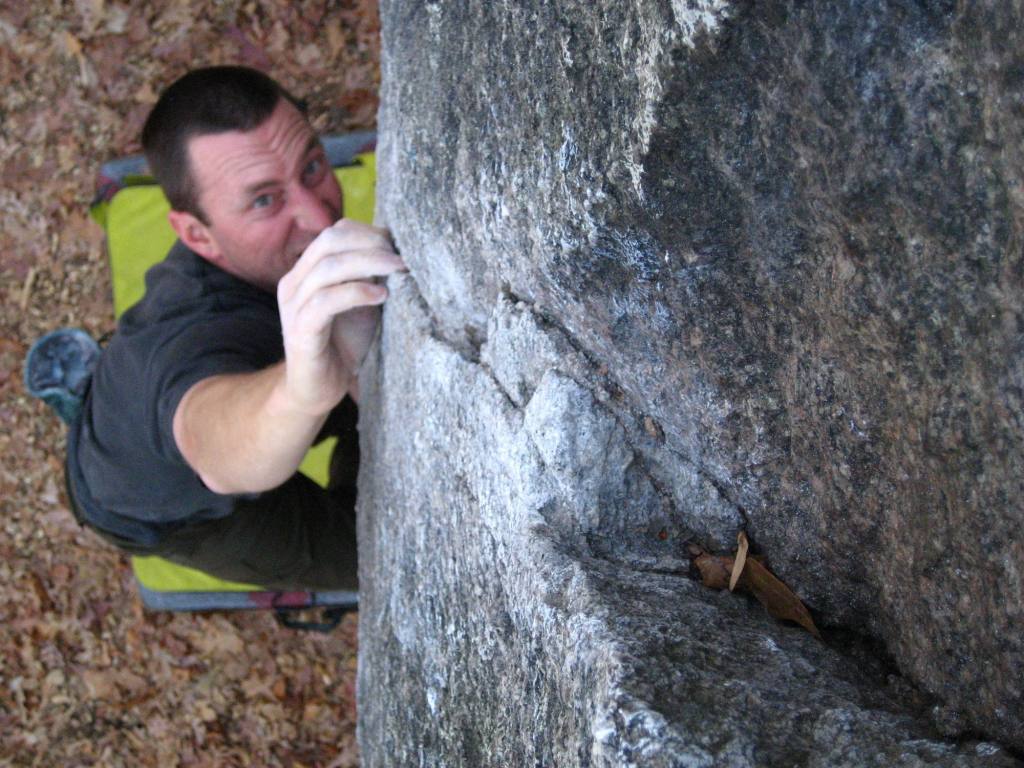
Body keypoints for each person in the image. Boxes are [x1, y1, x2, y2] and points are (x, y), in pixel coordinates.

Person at [66, 66, 404, 590]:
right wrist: (303, 393)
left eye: (312, 166)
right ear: (198, 235)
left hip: (243, 385)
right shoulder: (191, 340)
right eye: (265, 200)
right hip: (168, 505)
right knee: (384, 556)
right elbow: (216, 445)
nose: (317, 217)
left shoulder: (274, 250)